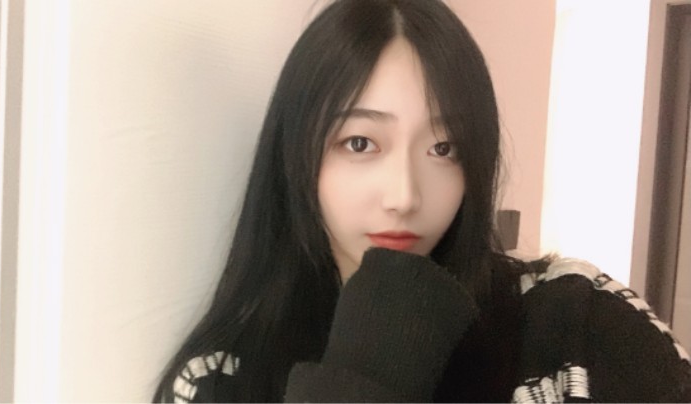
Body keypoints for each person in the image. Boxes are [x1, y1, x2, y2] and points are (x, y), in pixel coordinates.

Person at [153, 0, 691, 402]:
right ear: (297, 154)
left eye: (443, 148)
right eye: (360, 143)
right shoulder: (223, 380)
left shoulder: (578, 320)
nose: (405, 196)